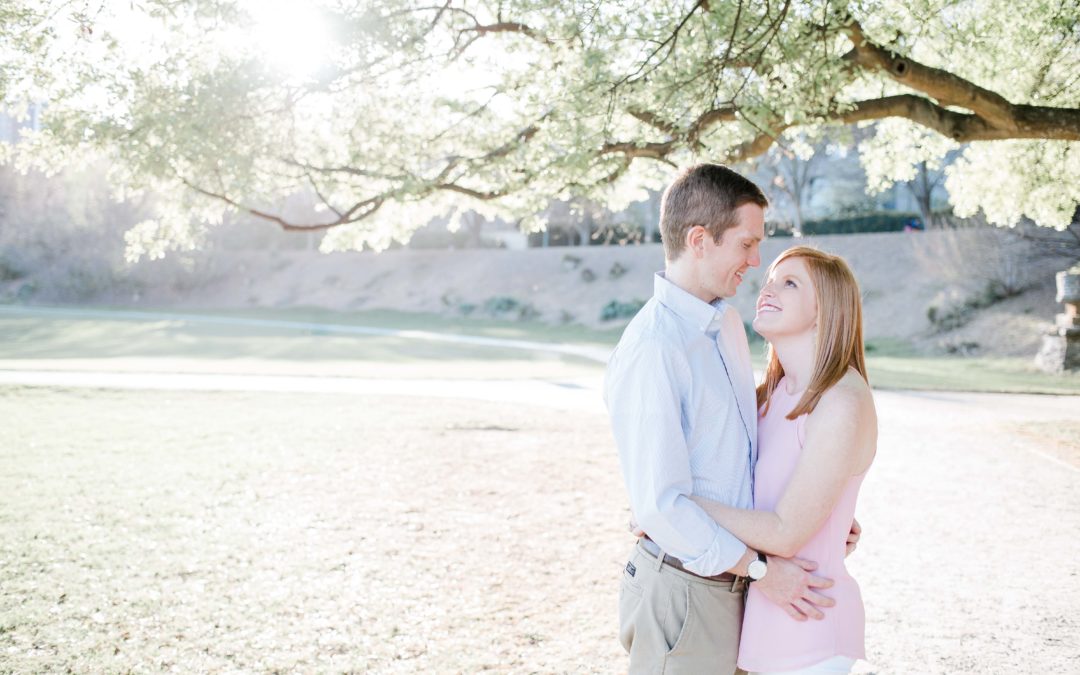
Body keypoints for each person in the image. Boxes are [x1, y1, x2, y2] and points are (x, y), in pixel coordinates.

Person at [605, 164, 855, 674]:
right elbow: (662, 508)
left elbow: (748, 452)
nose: (755, 260)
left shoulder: (728, 326)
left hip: (738, 586)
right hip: (686, 587)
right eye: (746, 244)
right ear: (700, 239)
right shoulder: (655, 347)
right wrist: (761, 569)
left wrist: (823, 517)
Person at [690, 246, 877, 674]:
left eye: (789, 283)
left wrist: (678, 502)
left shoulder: (841, 401)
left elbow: (785, 533)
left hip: (811, 621)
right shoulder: (767, 398)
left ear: (824, 309)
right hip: (760, 613)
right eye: (770, 280)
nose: (767, 290)